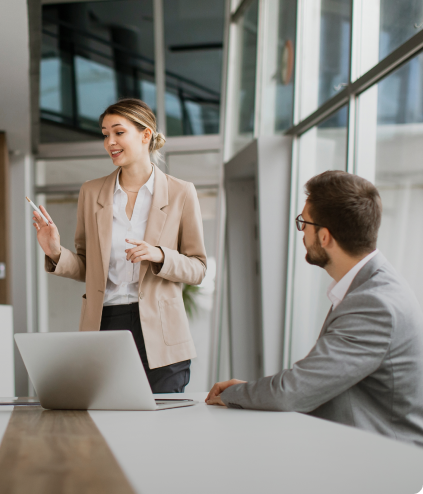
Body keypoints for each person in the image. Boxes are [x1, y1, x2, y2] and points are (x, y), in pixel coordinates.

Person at [207, 170, 423, 446]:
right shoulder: (372, 285)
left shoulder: (373, 304)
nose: (302, 233)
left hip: (383, 462)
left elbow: (293, 391)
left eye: (304, 223)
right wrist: (247, 391)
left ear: (324, 237)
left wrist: (233, 394)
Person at [33, 98, 207, 393]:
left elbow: (198, 268)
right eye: (105, 134)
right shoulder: (91, 192)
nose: (109, 142)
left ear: (145, 134)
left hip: (161, 330)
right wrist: (54, 252)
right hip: (105, 322)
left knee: (163, 424)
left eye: (118, 132)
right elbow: (88, 266)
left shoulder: (181, 193)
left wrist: (159, 255)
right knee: (107, 421)